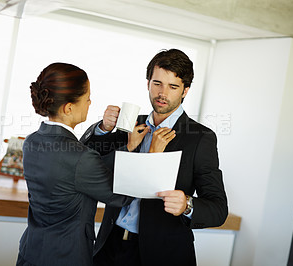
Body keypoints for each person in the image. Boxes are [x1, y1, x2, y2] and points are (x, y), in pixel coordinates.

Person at [81, 49, 228, 266]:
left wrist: (186, 205)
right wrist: (103, 128)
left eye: (173, 86)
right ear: (148, 82)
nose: (162, 93)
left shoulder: (200, 138)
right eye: (157, 83)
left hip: (162, 255)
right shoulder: (129, 123)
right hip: (109, 245)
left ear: (185, 91)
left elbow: (218, 209)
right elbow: (85, 158)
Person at [16, 62, 170, 266]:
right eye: (87, 98)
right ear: (69, 107)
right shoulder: (80, 157)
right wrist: (151, 157)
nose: (90, 103)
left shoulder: (32, 141)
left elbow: (76, 170)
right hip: (66, 257)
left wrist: (128, 148)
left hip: (31, 251)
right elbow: (121, 196)